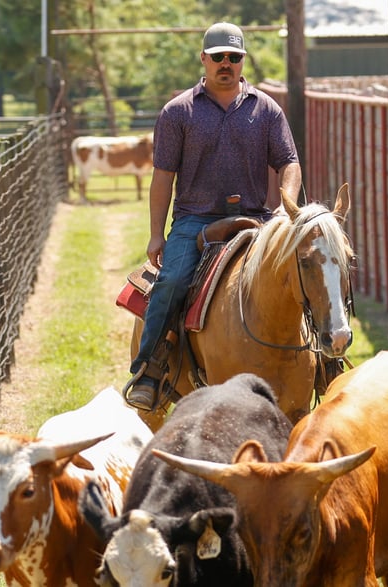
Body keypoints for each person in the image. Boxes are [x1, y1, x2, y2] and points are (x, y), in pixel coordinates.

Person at [126, 21, 303, 411]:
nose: (226, 63)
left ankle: (323, 361)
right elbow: (163, 177)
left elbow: (289, 162)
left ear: (243, 60)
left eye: (234, 57)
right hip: (195, 220)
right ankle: (149, 370)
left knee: (304, 273)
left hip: (258, 218)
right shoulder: (178, 112)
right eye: (219, 56)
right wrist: (157, 234)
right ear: (203, 59)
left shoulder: (266, 109)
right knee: (172, 280)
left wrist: (286, 208)